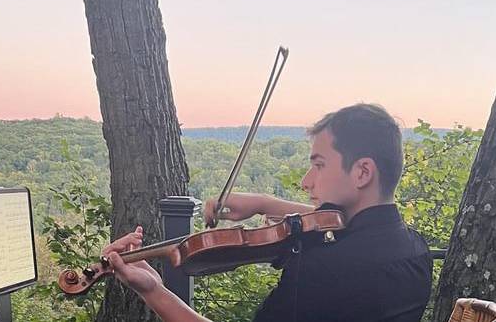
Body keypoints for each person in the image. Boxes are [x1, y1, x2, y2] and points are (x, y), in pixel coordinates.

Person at [102, 103, 433, 321]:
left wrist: (153, 290)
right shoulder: (416, 251)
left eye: (318, 165)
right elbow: (348, 226)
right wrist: (264, 203)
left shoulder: (320, 272)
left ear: (362, 172)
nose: (307, 181)